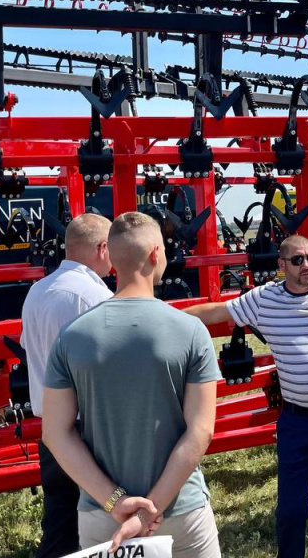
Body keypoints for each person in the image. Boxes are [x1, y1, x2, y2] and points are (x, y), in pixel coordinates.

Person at [43, 211, 222, 555]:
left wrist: (115, 502)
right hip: (180, 510)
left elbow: (55, 432)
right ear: (156, 254)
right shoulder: (190, 331)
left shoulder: (72, 335)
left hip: (102, 515)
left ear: (111, 259)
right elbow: (200, 432)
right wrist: (149, 508)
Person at [186, 234, 308, 558]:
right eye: (298, 260)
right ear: (281, 265)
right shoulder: (264, 299)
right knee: (291, 512)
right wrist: (161, 318)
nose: (307, 265)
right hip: (297, 421)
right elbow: (216, 312)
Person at [20, 212, 114, 558]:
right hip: (88, 430)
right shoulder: (96, 298)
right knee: (101, 521)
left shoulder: (37, 291)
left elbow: (30, 347)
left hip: (52, 428)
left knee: (59, 518)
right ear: (103, 248)